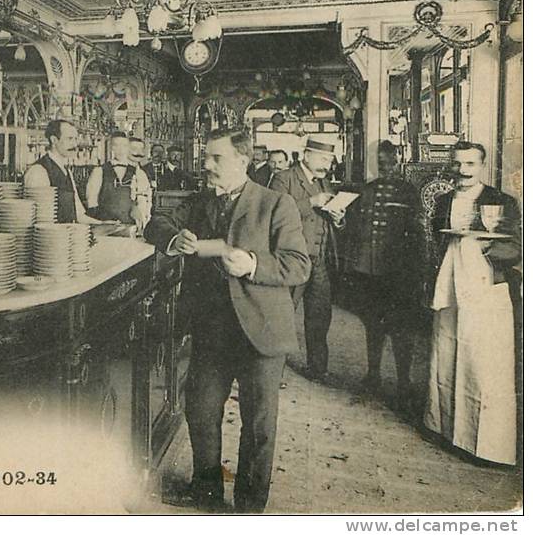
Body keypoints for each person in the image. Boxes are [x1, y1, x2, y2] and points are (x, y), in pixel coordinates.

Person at [145, 128, 310, 513]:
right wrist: (175, 239)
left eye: (216, 158)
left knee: (258, 425)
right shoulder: (200, 202)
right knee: (200, 411)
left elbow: (298, 264)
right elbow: (156, 221)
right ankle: (206, 493)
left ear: (242, 159)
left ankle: (250, 507)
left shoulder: (276, 203)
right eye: (206, 157)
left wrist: (253, 264)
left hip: (261, 331)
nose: (206, 165)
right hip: (212, 329)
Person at [425, 141, 521, 465]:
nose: (462, 171)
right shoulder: (442, 202)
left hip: (485, 290)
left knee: (484, 365)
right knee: (447, 355)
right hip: (451, 286)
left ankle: (487, 447)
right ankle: (445, 430)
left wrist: (484, 249)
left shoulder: (501, 201)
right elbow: (437, 244)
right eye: (457, 164)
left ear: (481, 166)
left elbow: (516, 249)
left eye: (469, 164)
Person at [345, 140, 424, 408]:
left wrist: (414, 273)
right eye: (382, 163)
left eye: (391, 162)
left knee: (401, 329)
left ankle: (404, 381)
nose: (387, 167)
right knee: (373, 324)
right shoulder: (368, 190)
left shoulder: (408, 192)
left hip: (399, 274)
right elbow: (356, 230)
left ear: (399, 161)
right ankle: (373, 374)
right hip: (371, 272)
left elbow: (417, 236)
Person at [269, 137, 345, 380]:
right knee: (282, 314)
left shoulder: (325, 183)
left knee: (320, 316)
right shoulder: (284, 178)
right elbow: (274, 213)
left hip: (319, 260)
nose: (327, 163)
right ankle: (273, 371)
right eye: (323, 158)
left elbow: (335, 221)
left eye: (330, 159)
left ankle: (317, 369)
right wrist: (311, 202)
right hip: (291, 259)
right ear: (307, 155)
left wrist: (338, 218)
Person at [23, 119, 100, 224]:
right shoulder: (38, 171)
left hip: (67, 236)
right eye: (70, 139)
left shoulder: (67, 171)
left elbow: (77, 214)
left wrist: (102, 224)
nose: (75, 144)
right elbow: (39, 219)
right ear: (54, 140)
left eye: (76, 139)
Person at [86, 131, 152, 228]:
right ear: (111, 148)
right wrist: (97, 223)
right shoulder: (99, 171)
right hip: (105, 225)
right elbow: (91, 201)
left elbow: (144, 200)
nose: (120, 150)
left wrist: (140, 214)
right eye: (116, 145)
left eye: (124, 146)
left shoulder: (138, 173)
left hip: (130, 225)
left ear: (128, 148)